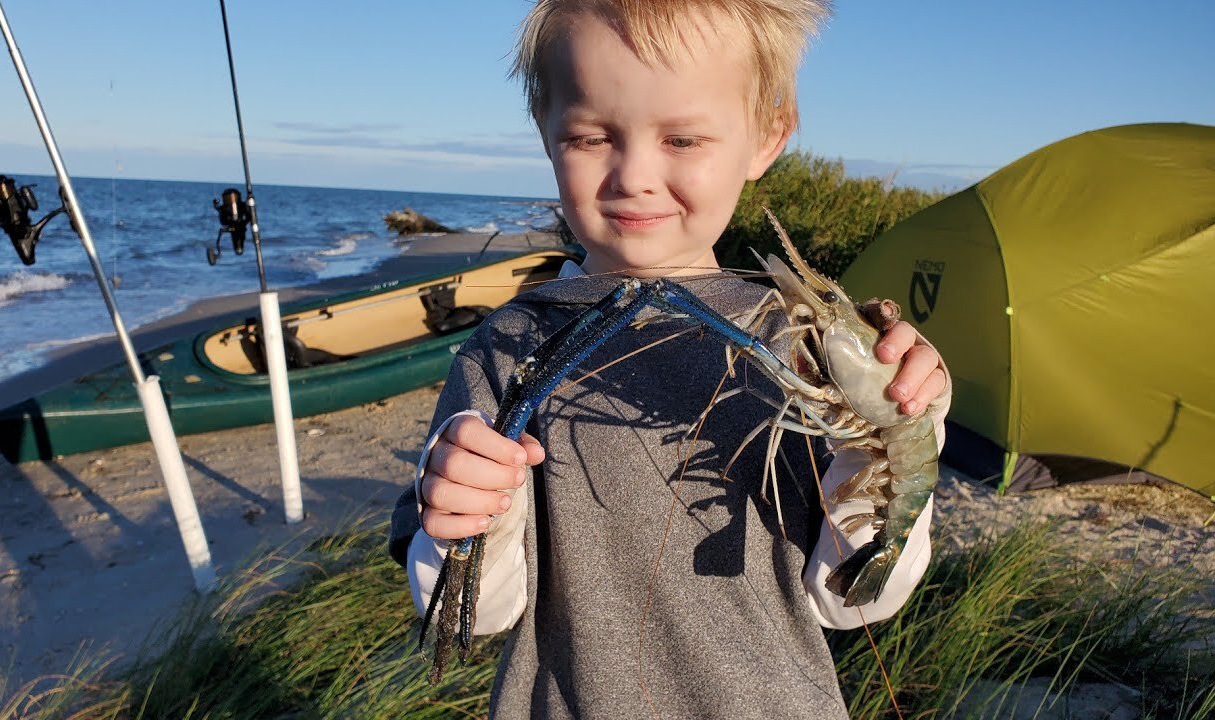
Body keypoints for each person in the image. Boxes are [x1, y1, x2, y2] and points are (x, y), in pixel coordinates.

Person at [388, 1, 951, 717]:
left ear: (767, 136)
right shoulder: (507, 348)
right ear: (546, 132)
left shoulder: (798, 344)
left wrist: (901, 432)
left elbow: (850, 605)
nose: (635, 176)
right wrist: (466, 511)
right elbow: (467, 616)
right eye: (591, 136)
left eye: (682, 139)